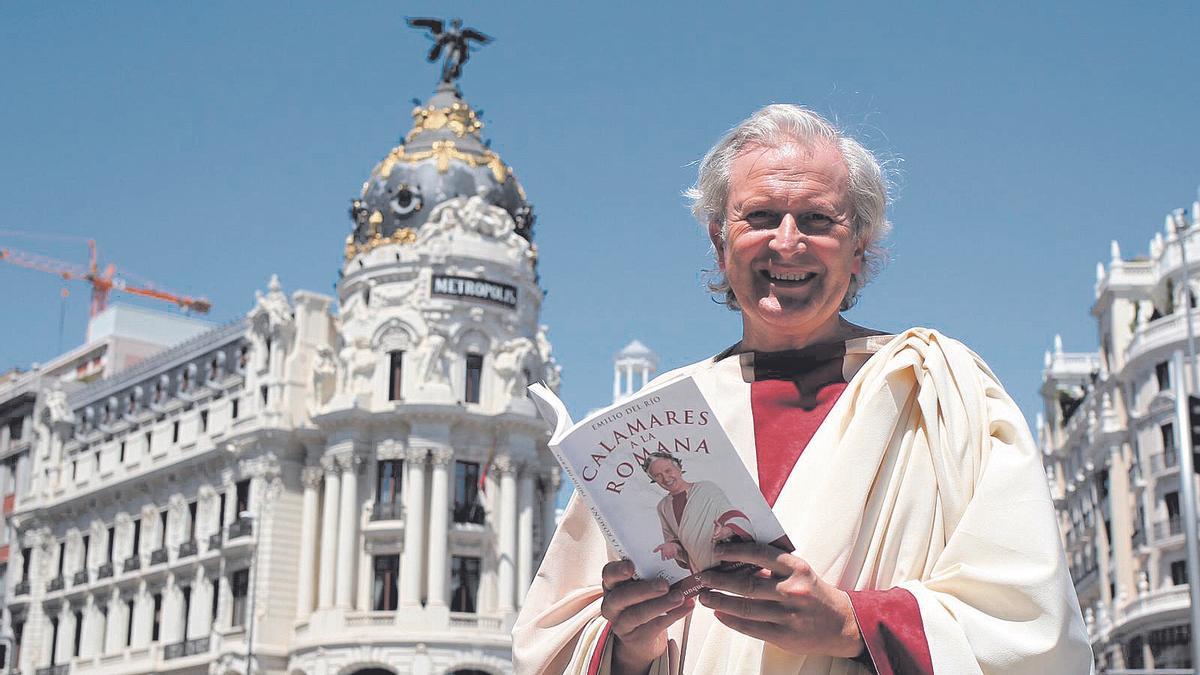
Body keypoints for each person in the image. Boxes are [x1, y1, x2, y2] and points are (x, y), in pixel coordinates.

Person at [513, 105, 1092, 674]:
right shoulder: (651, 420)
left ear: (860, 245)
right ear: (719, 239)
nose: (787, 243)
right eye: (760, 217)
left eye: (818, 220)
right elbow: (553, 644)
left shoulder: (942, 389)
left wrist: (852, 625)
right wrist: (631, 649)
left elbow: (1033, 630)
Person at [644, 452, 755, 574]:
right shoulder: (662, 506)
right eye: (658, 476)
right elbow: (674, 538)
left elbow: (730, 514)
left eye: (668, 471)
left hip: (731, 559)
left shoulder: (706, 488)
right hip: (703, 568)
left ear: (679, 468)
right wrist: (673, 547)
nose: (665, 478)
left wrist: (726, 531)